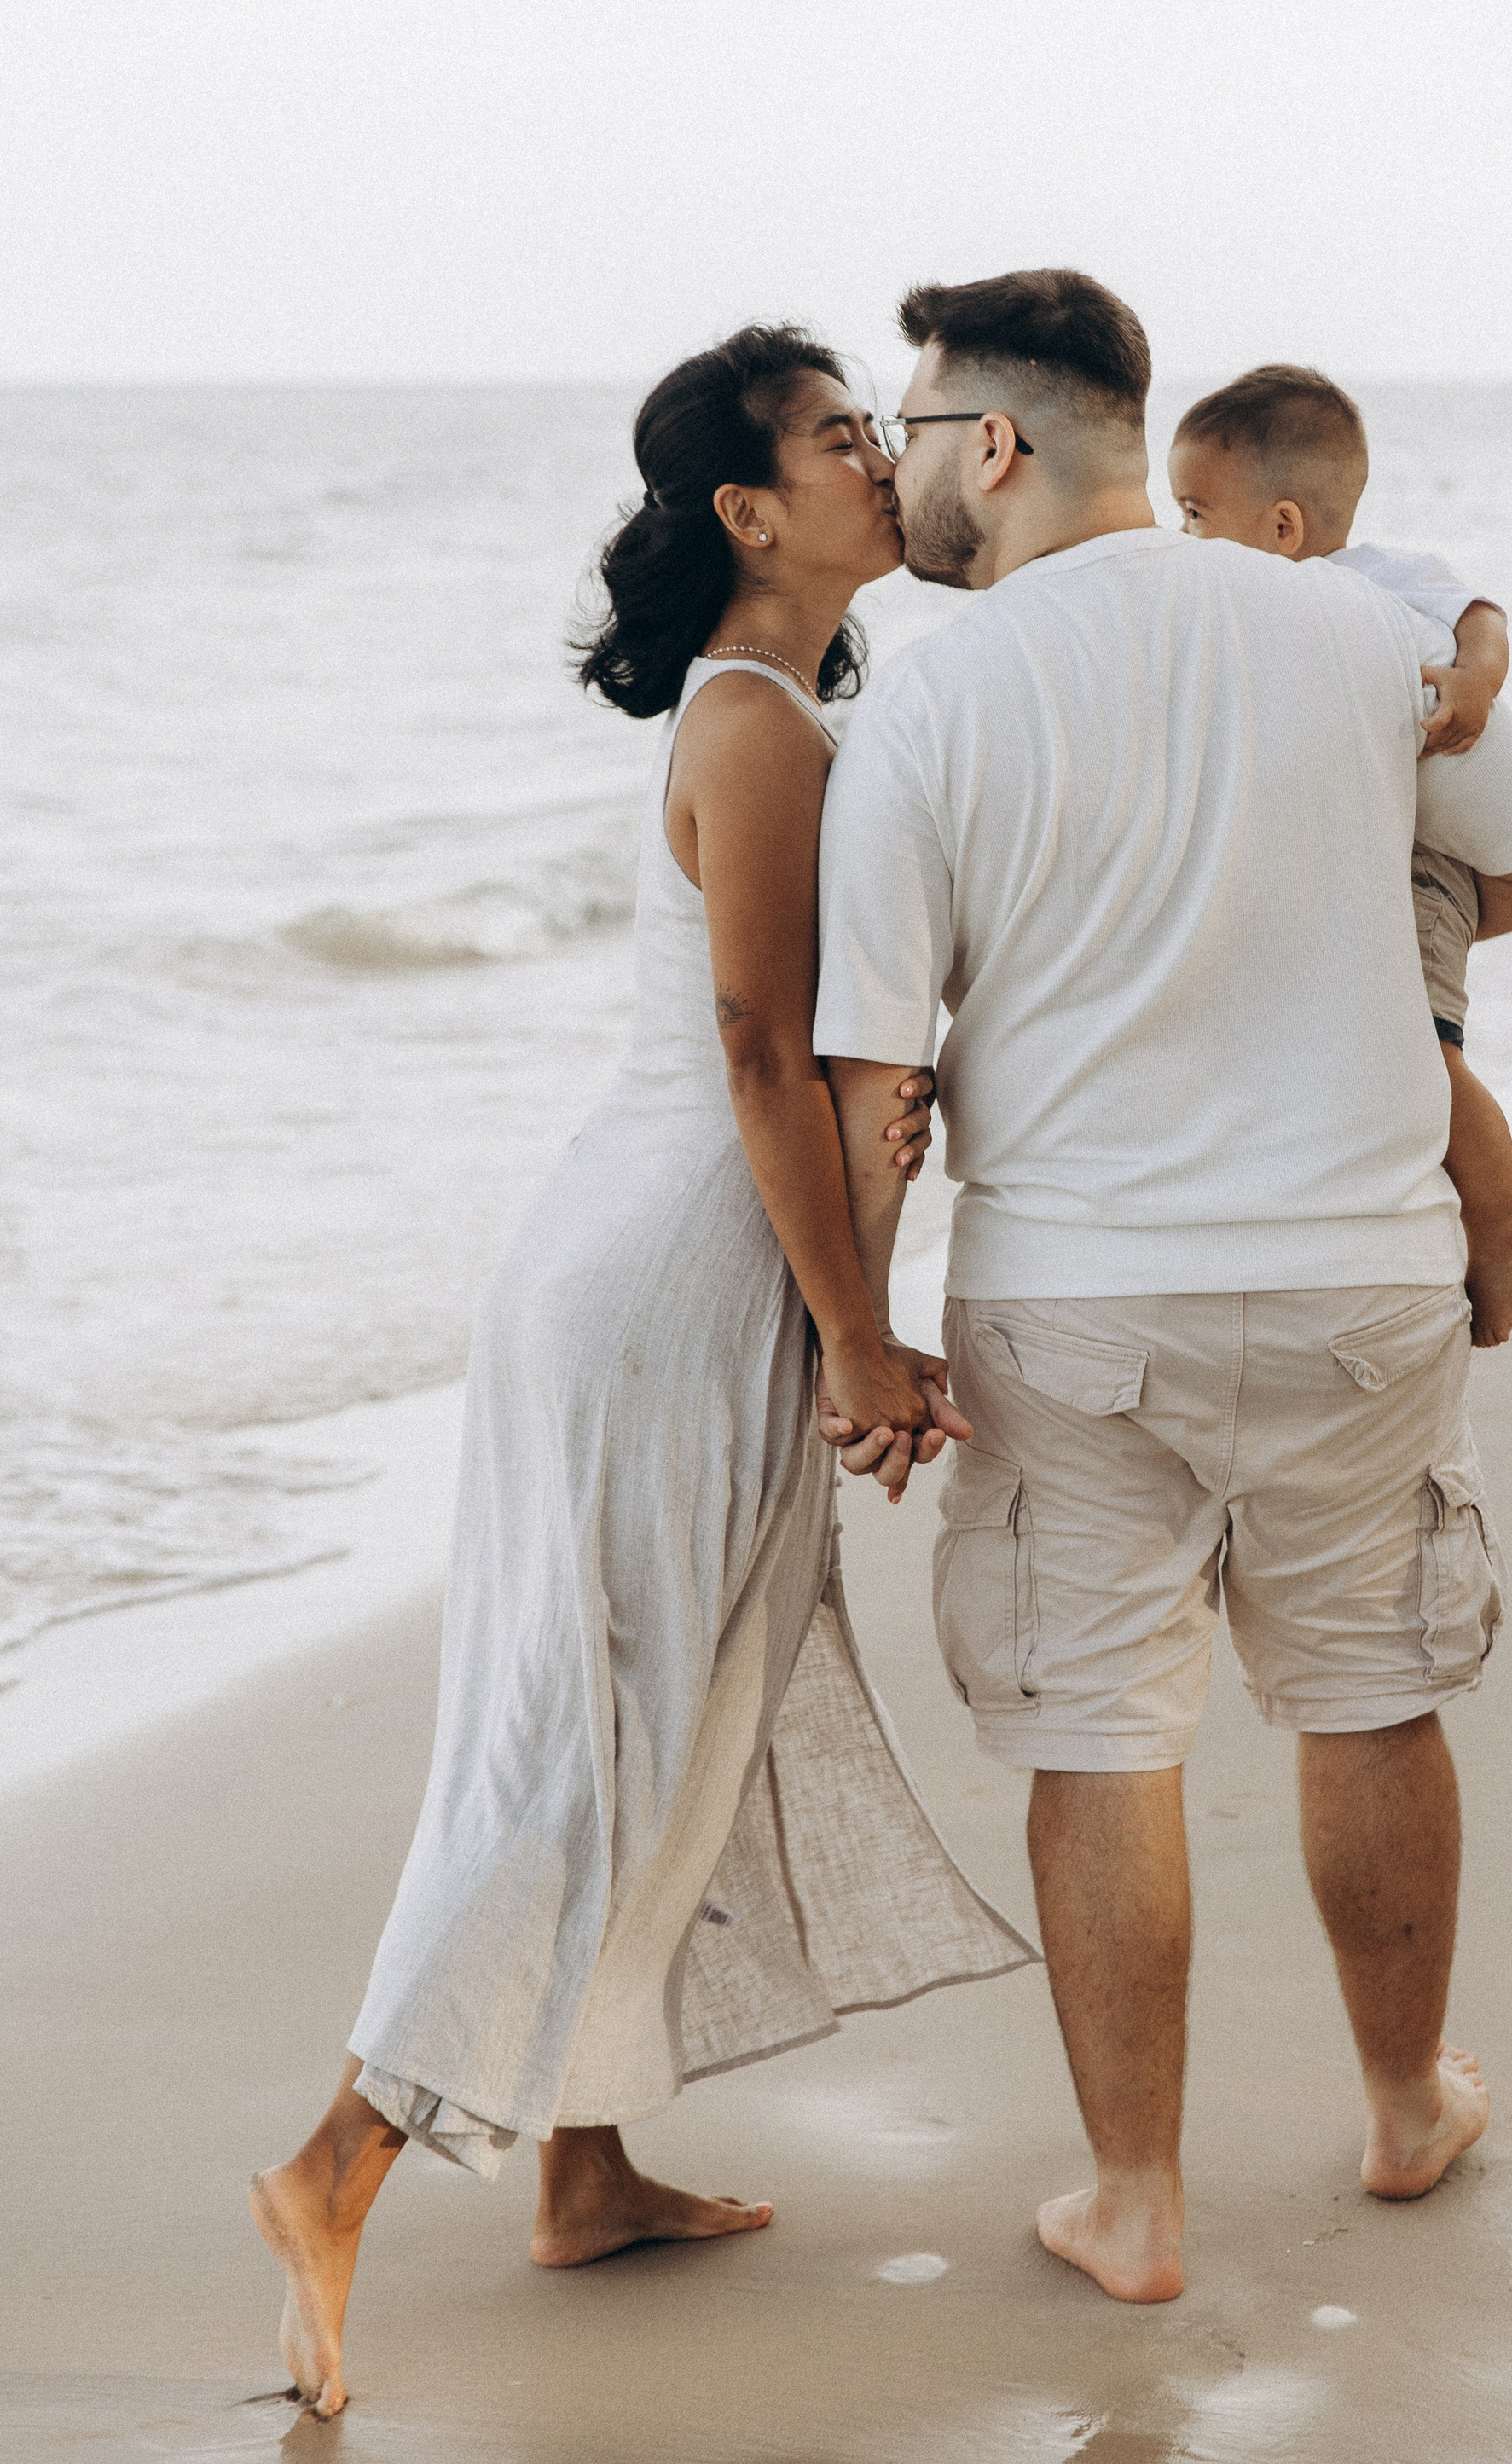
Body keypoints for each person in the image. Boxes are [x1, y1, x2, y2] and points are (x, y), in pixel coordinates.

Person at [249, 327, 1034, 2418]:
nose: (880, 456)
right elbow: (759, 1056)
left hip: (672, 1269)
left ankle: (581, 2166)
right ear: (748, 516)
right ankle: (338, 2165)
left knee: (666, 1708)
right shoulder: (762, 723)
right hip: (666, 1287)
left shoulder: (792, 701)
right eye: (837, 439)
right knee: (594, 1737)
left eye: (883, 425)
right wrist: (857, 1328)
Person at [811, 270, 1512, 2304]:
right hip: (1355, 1265)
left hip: (1075, 1296)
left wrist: (860, 1339)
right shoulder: (1353, 627)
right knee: (1368, 1689)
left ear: (990, 444)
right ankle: (1407, 2104)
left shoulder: (928, 698)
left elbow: (868, 1071)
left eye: (906, 430)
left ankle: (1137, 2202)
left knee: (1104, 1731)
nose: (894, 468)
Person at [1168, 362, 1512, 1346]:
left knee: (1428, 1056)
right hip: (1361, 852)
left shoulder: (1378, 583)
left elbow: (1483, 613)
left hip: (1419, 862)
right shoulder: (1258, 615)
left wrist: (1475, 681)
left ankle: (1500, 1228)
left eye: (1191, 512)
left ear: (1283, 530)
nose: (1179, 537)